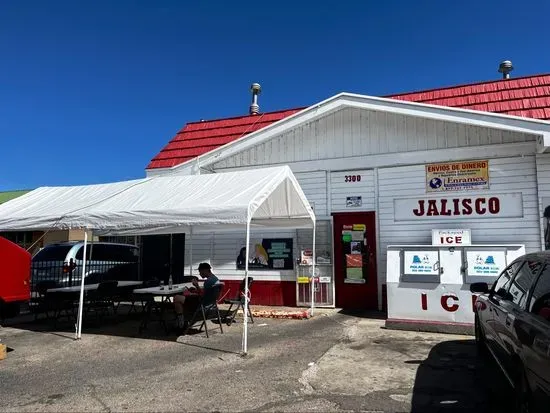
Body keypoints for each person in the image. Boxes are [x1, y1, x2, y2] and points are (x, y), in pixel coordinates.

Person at [174, 262, 219, 330]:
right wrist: (195, 290)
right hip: (210, 304)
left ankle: (181, 322)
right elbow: (206, 293)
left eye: (200, 271)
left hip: (201, 305)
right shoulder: (215, 279)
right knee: (185, 296)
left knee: (177, 298)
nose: (200, 274)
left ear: (205, 270)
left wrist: (196, 286)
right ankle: (184, 320)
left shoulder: (208, 281)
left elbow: (202, 295)